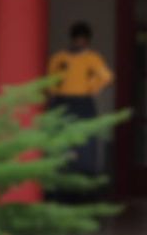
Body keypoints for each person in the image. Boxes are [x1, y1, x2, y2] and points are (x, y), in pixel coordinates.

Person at [44, 20, 114, 182]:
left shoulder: (91, 58)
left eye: (82, 41)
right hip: (67, 101)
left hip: (80, 101)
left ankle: (82, 176)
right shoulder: (60, 58)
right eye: (78, 40)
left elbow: (107, 77)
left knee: (84, 138)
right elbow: (50, 81)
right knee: (67, 139)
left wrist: (91, 88)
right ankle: (65, 174)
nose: (80, 44)